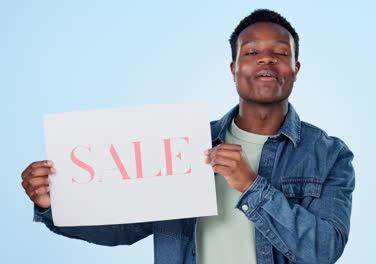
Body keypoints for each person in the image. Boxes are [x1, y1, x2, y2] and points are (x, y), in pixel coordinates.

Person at [21, 9, 355, 264]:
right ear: (233, 68)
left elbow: (324, 250)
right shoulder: (182, 141)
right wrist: (58, 205)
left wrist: (252, 186)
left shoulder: (329, 154)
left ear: (296, 68)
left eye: (281, 53)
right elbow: (125, 229)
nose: (267, 58)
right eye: (251, 52)